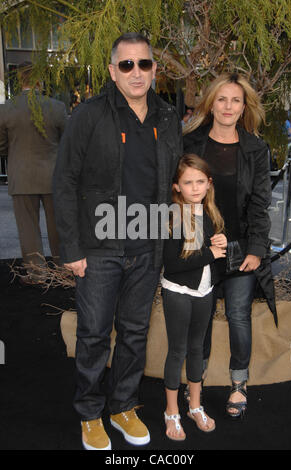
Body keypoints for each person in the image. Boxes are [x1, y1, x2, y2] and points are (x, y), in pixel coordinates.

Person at [53, 32, 182, 450]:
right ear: (112, 71)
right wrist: (71, 250)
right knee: (92, 333)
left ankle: (123, 406)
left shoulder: (167, 116)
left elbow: (174, 183)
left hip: (148, 247)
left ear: (154, 69)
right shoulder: (88, 115)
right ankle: (90, 413)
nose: (136, 72)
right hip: (99, 247)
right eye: (126, 65)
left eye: (143, 64)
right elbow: (65, 181)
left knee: (134, 332)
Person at [183, 72, 277, 419]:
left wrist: (255, 249)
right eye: (221, 99)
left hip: (240, 250)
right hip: (200, 249)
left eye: (235, 100)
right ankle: (198, 380)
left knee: (239, 316)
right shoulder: (190, 143)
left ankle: (239, 383)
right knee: (201, 317)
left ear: (244, 106)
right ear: (210, 103)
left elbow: (260, 205)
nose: (228, 106)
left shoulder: (255, 148)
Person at [161, 154, 226, 440]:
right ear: (177, 187)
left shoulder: (211, 213)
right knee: (178, 351)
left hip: (205, 291)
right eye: (188, 182)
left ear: (209, 184)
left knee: (198, 349)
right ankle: (171, 412)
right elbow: (173, 265)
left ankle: (195, 406)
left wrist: (224, 243)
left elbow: (217, 258)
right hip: (178, 292)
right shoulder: (173, 216)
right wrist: (208, 253)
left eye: (201, 181)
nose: (195, 187)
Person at [0, 61, 67, 284]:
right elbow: (67, 141)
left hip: (22, 175)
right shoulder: (56, 107)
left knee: (28, 227)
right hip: (53, 176)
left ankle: (37, 273)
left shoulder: (7, 109)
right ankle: (62, 268)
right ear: (40, 80)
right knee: (58, 225)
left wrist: (16, 152)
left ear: (20, 80)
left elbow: (1, 145)